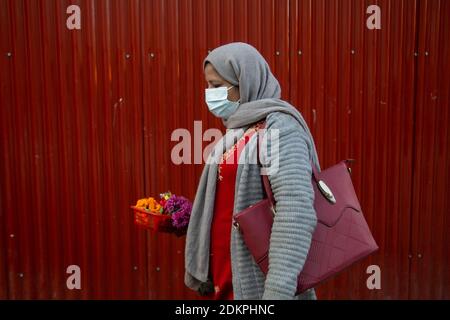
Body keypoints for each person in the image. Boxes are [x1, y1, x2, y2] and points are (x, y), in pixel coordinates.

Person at [184, 42, 321, 300]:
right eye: (207, 85)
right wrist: (189, 217)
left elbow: (296, 211)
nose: (209, 93)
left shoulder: (280, 128)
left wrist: (278, 292)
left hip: (260, 285)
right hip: (227, 276)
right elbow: (230, 200)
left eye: (216, 86)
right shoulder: (240, 130)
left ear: (245, 82)